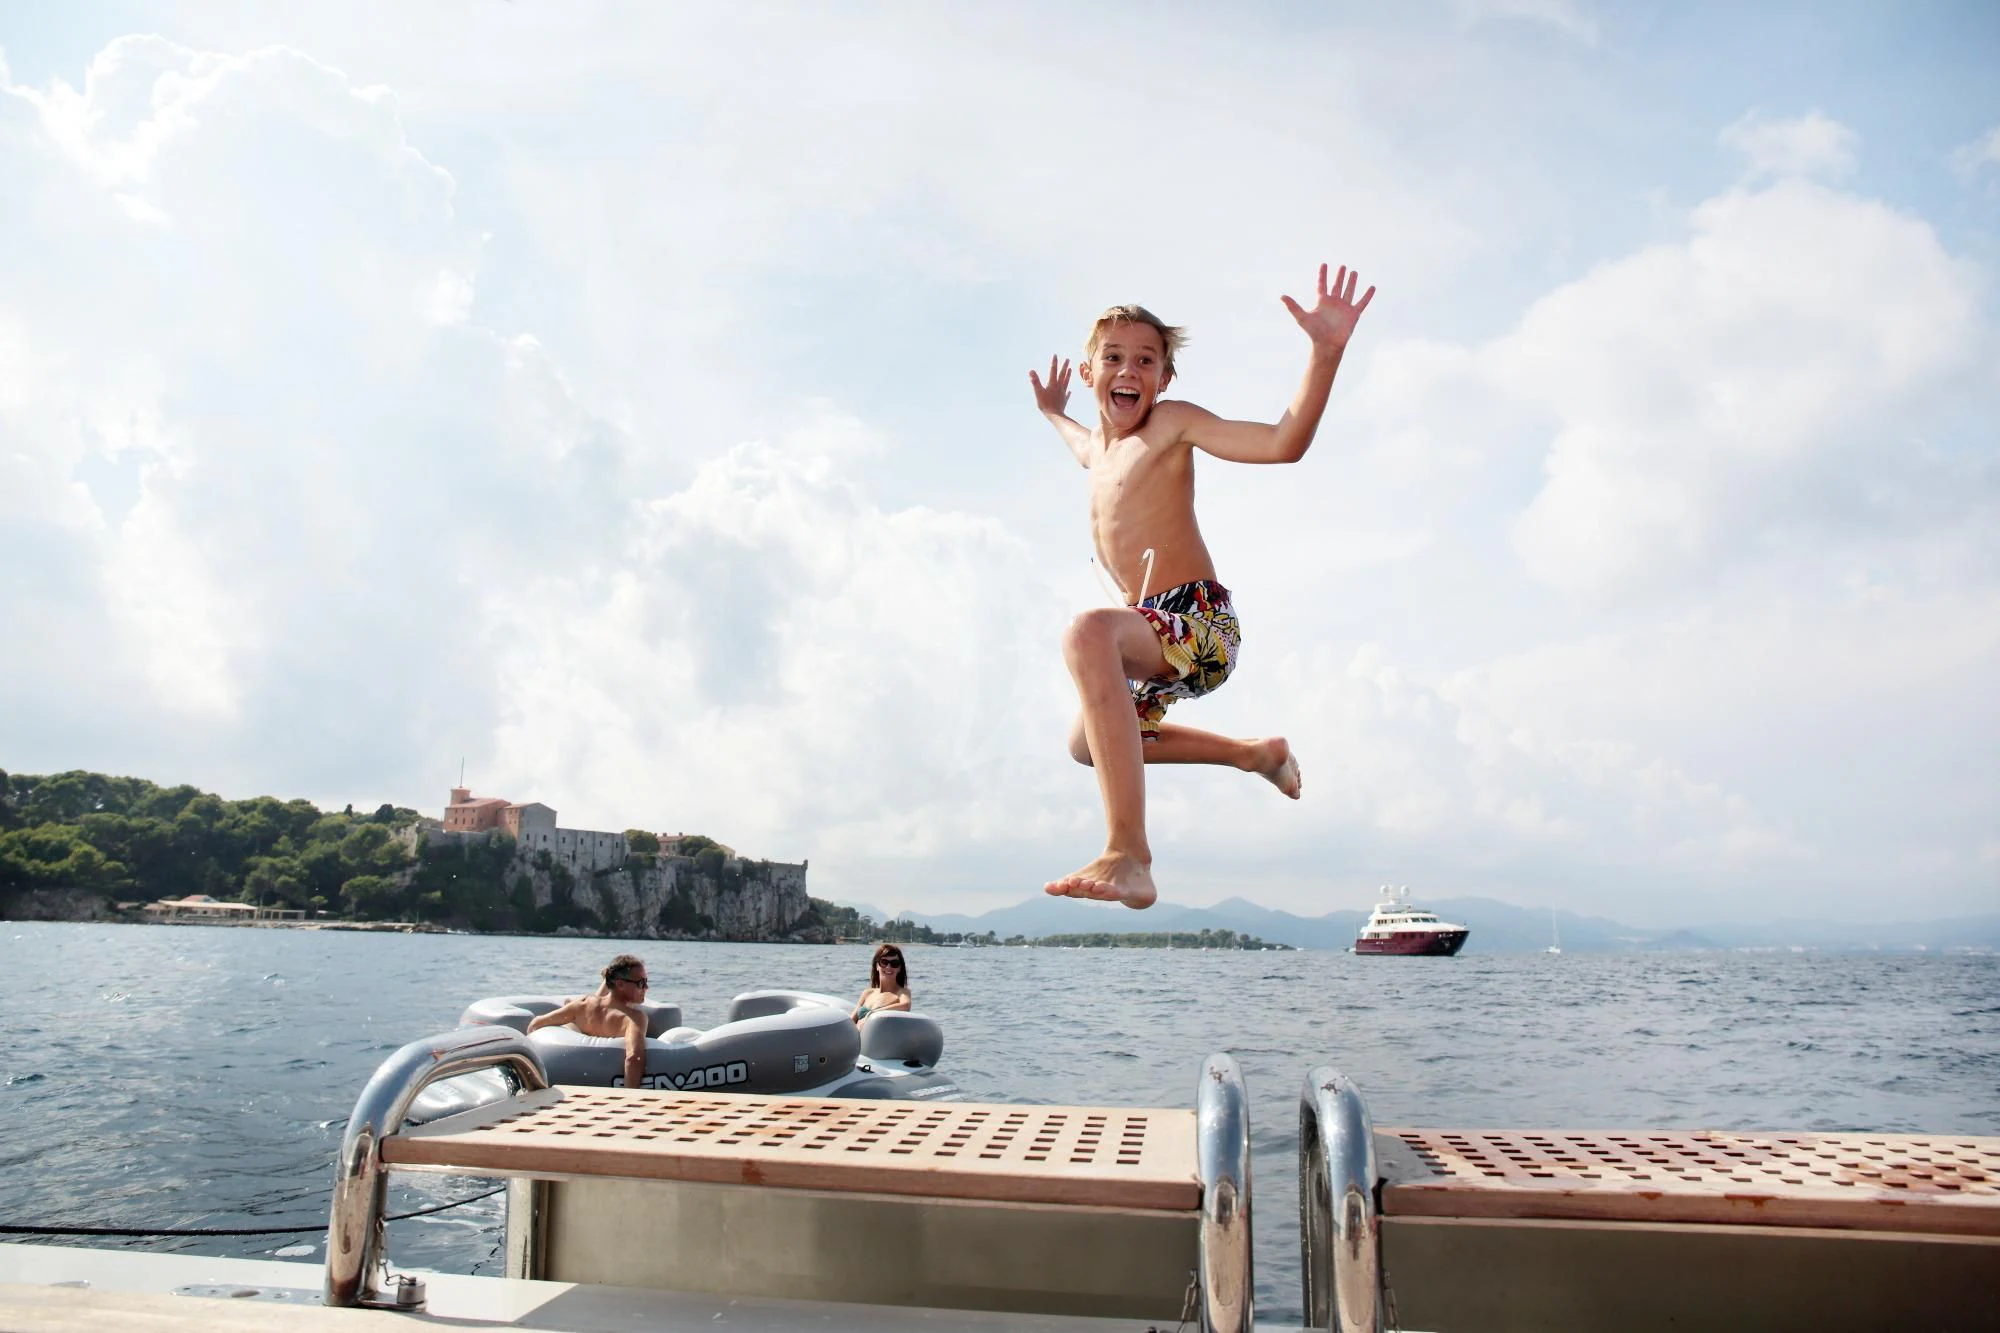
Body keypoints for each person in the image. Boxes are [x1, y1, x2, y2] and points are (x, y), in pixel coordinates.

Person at [1028, 263, 1374, 909]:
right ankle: (1252, 753)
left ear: (1164, 379)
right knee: (1085, 745)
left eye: (1145, 360)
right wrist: (1052, 412)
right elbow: (1078, 438)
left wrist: (1324, 353)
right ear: (1087, 373)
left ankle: (1128, 851)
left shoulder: (1170, 424)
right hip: (1151, 636)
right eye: (1113, 357)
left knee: (1087, 631)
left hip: (1198, 623)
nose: (1128, 370)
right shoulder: (1097, 451)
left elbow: (1282, 442)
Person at [527, 954, 652, 1089]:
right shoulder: (634, 1018)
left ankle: (607, 981)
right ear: (620, 984)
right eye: (641, 983)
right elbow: (633, 1058)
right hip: (607, 1080)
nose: (646, 988)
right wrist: (630, 1098)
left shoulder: (584, 1005)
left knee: (572, 1014)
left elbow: (535, 1024)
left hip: (570, 1073)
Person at [850, 944, 911, 1024]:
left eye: (894, 963)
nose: (888, 967)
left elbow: (905, 1005)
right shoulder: (868, 993)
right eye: (884, 962)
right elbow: (852, 1020)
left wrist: (873, 1013)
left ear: (899, 968)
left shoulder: (901, 992)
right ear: (877, 966)